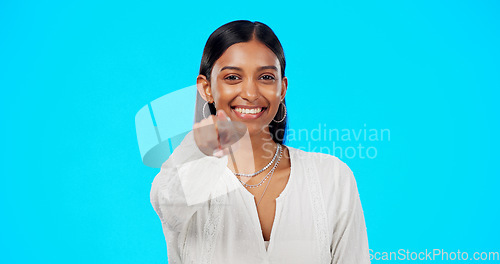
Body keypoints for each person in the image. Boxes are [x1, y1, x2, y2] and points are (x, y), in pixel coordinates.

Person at [150, 20, 370, 264]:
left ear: (282, 88)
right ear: (206, 88)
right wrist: (198, 147)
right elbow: (167, 205)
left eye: (265, 77)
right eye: (233, 77)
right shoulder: (186, 176)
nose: (251, 93)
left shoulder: (332, 176)